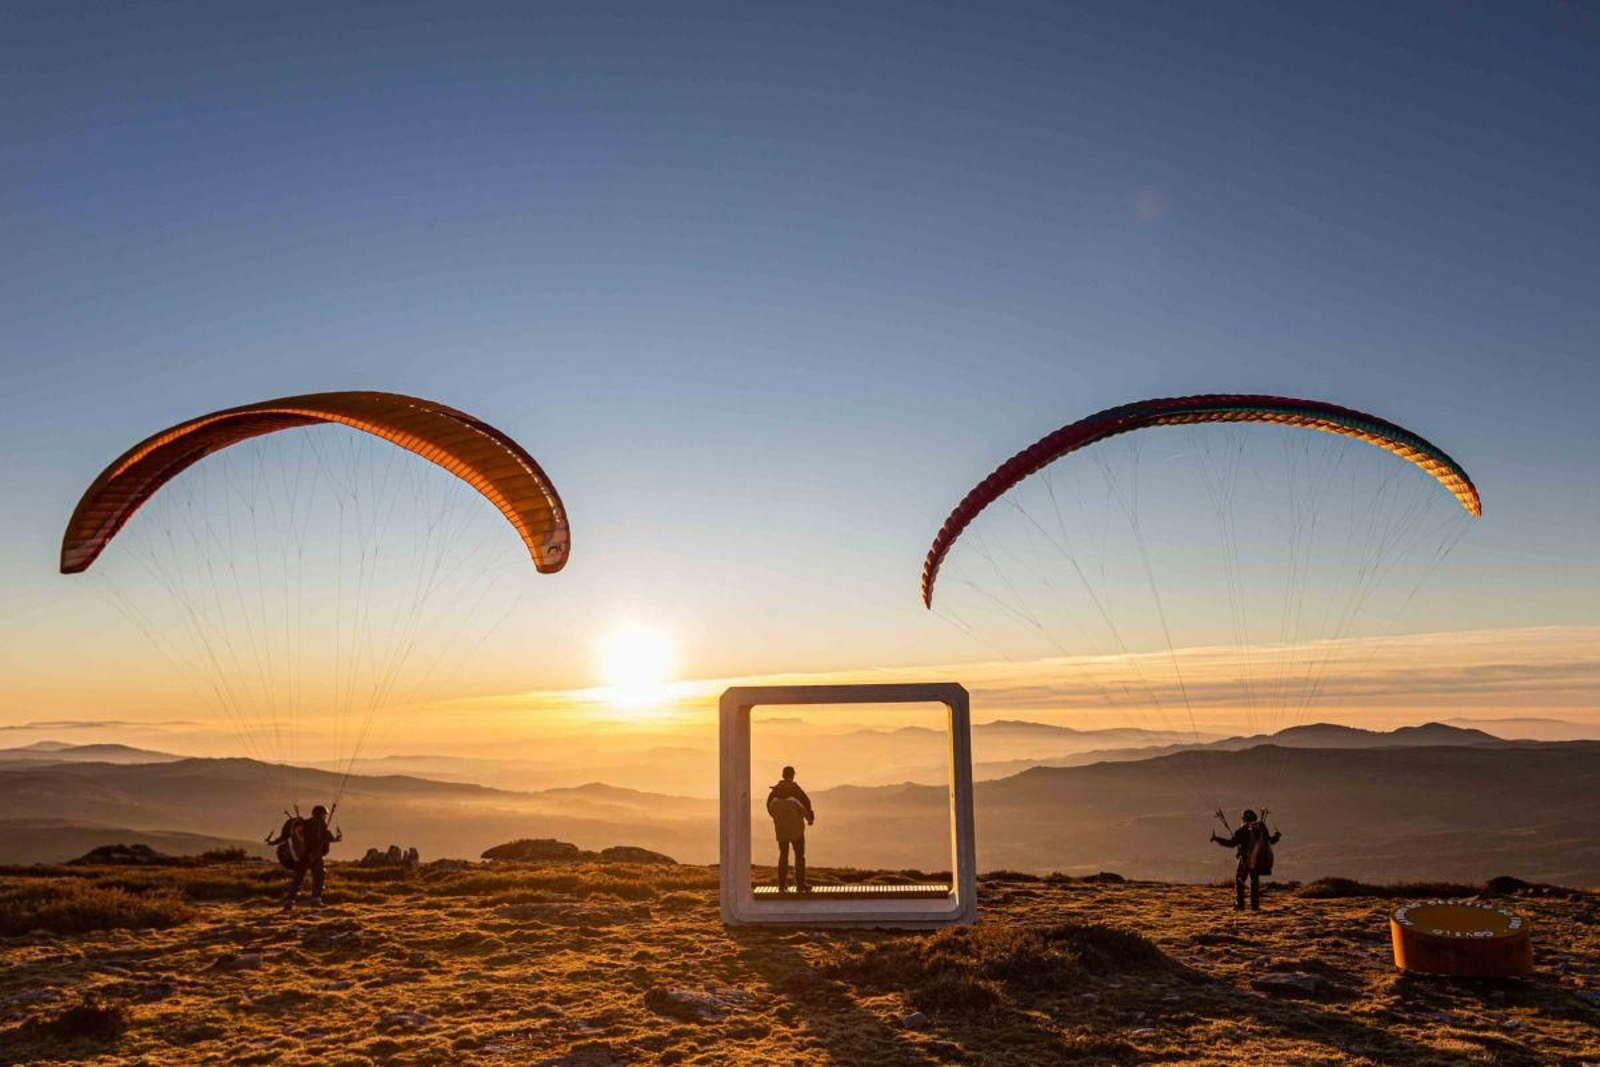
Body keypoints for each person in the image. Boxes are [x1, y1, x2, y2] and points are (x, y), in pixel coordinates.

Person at [267, 804, 342, 911]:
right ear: (321, 814)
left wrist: (273, 842)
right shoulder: (319, 823)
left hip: (303, 857)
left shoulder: (305, 824)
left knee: (298, 878)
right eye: (324, 815)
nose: (325, 817)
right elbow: (325, 836)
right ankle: (316, 900)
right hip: (315, 856)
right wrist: (335, 838)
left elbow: (286, 837)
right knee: (319, 876)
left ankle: (289, 901)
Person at [1211, 809, 1280, 911]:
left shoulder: (1242, 830)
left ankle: (1240, 904)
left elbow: (1231, 843)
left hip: (1245, 861)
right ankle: (1255, 907)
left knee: (1240, 881)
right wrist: (1277, 836)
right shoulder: (1261, 829)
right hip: (1257, 861)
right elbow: (1270, 841)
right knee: (1254, 883)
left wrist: (1216, 839)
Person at [766, 766, 815, 893]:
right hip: (797, 829)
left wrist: (778, 818)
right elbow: (805, 805)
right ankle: (800, 885)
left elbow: (769, 808)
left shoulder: (775, 792)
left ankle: (782, 886)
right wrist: (810, 819)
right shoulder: (796, 791)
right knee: (799, 856)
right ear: (793, 775)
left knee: (783, 855)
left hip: (781, 829)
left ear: (782, 775)